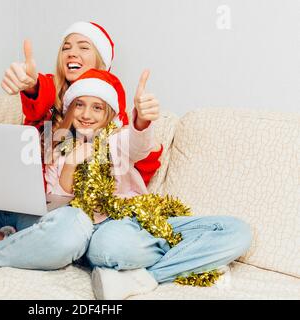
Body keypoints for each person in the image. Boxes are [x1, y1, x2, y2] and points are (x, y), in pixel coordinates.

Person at [44, 68, 253, 300]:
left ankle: (148, 276)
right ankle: (194, 258)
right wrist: (70, 165)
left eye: (97, 107)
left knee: (237, 231)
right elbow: (55, 212)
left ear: (109, 114)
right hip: (101, 232)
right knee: (109, 247)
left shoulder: (116, 141)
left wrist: (141, 120)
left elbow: (137, 144)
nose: (86, 114)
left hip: (141, 220)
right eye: (79, 105)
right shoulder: (55, 151)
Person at [1, 21, 163, 185]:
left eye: (84, 47)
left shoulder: (112, 109)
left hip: (64, 204)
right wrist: (31, 86)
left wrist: (142, 123)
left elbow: (129, 172)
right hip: (25, 189)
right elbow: (42, 92)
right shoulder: (50, 89)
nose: (71, 53)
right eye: (66, 47)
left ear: (101, 61)